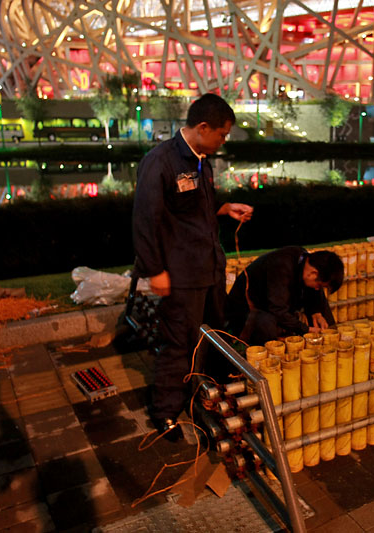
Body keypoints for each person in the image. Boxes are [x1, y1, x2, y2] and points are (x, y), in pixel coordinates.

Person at [132, 93, 253, 441]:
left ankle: (212, 396)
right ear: (203, 128)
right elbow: (145, 220)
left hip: (209, 269)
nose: (223, 141)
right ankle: (166, 412)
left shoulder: (202, 159)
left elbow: (194, 208)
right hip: (181, 275)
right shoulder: (161, 162)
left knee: (215, 335)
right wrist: (155, 270)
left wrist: (225, 208)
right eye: (222, 134)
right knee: (179, 344)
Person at [225, 247, 344, 345]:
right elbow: (278, 310)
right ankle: (268, 359)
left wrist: (316, 312)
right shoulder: (281, 267)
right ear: (313, 273)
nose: (318, 288)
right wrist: (306, 330)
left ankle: (330, 340)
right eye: (319, 285)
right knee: (266, 323)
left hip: (273, 305)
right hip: (248, 312)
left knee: (319, 299)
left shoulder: (304, 261)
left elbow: (313, 292)